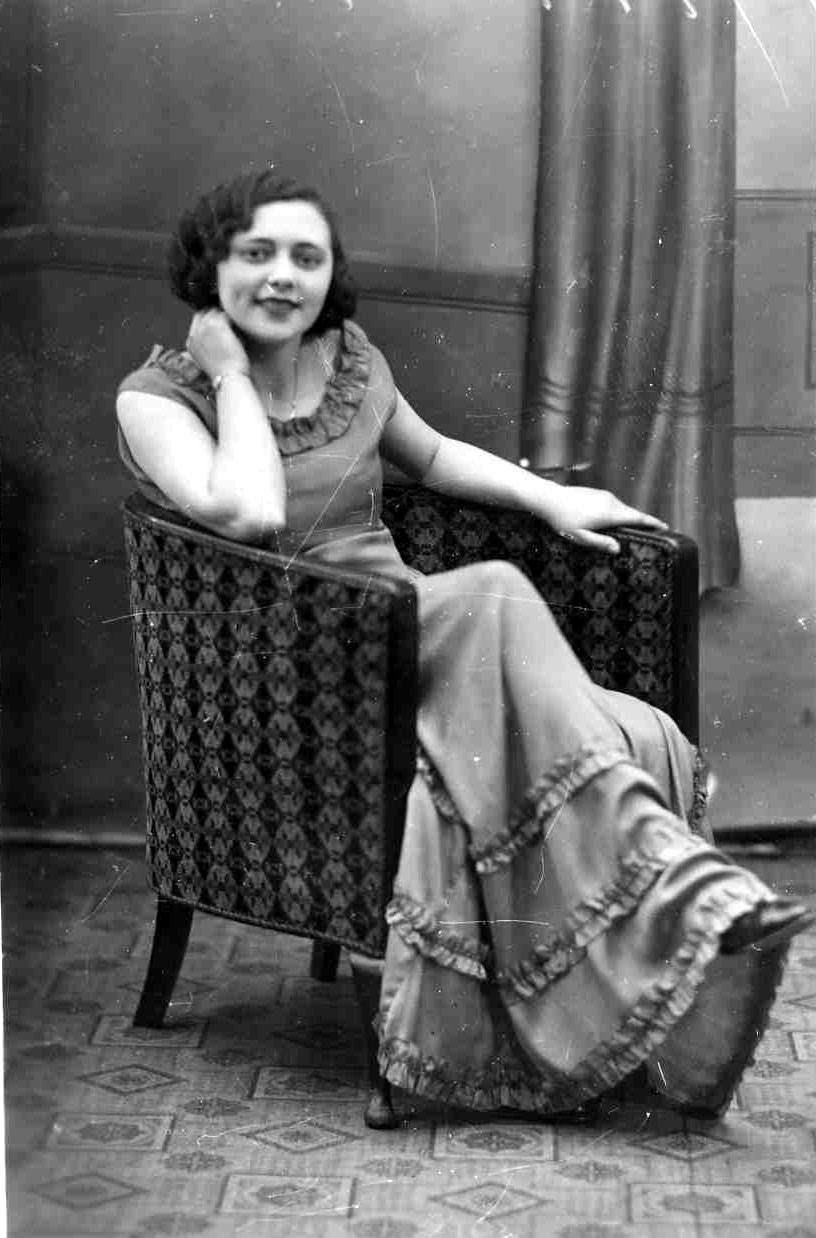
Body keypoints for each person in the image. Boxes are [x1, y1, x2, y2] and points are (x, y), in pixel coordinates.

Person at [117, 170, 813, 1122]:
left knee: (606, 707)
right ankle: (679, 880)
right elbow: (249, 511)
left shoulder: (350, 362)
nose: (283, 277)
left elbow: (435, 457)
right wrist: (233, 375)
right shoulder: (156, 398)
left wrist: (554, 499)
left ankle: (649, 949)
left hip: (410, 641)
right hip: (288, 678)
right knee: (491, 592)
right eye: (257, 254)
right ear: (211, 268)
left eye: (307, 258)